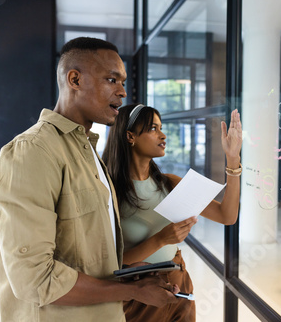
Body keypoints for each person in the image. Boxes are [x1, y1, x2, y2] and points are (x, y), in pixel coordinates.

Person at [0, 37, 178, 322]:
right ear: (74, 79)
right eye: (112, 79)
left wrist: (127, 273)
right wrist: (134, 291)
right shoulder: (32, 152)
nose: (123, 92)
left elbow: (84, 250)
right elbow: (34, 278)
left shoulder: (90, 151)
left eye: (123, 82)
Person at [102, 104, 242, 321]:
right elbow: (108, 263)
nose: (163, 134)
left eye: (161, 127)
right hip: (140, 295)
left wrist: (233, 159)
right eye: (153, 128)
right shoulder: (109, 192)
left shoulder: (169, 183)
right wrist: (161, 239)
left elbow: (227, 215)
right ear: (130, 136)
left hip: (179, 286)